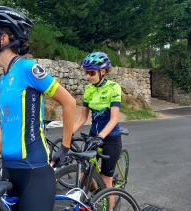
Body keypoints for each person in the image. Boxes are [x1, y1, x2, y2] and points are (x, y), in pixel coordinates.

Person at [0, 6, 76, 211]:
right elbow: (5, 129)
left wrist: (65, 147)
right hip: (9, 171)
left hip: (34, 171)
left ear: (3, 38)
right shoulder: (2, 80)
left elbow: (69, 102)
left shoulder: (27, 68)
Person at [72, 52, 122, 210]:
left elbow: (114, 118)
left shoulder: (114, 87)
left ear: (103, 71)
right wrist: (68, 133)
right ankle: (95, 195)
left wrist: (101, 136)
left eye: (91, 72)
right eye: (86, 72)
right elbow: (83, 117)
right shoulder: (88, 90)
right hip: (94, 136)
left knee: (106, 181)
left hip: (111, 138)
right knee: (83, 175)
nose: (87, 76)